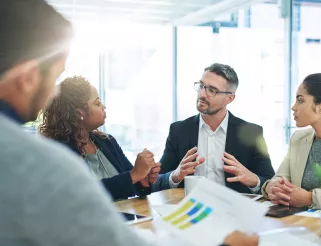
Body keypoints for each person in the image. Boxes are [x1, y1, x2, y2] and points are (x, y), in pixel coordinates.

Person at [0, 1, 258, 245]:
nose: (53, 95)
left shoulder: (102, 142)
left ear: (230, 98)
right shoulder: (43, 163)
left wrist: (146, 177)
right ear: (27, 78)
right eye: (54, 76)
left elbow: (140, 185)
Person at [154, 63, 275, 194]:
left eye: (212, 90)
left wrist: (253, 179)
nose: (202, 94)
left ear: (230, 98)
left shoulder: (252, 133)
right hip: (191, 210)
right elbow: (155, 182)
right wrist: (175, 176)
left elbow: (270, 183)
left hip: (233, 211)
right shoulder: (179, 130)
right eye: (201, 86)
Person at [39, 76, 160, 200]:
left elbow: (133, 185)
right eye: (97, 103)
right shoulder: (58, 151)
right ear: (79, 112)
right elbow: (83, 194)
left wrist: (143, 179)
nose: (104, 107)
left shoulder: (107, 141)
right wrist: (134, 175)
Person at [262, 73, 321, 209]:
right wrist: (274, 188)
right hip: (299, 221)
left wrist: (309, 198)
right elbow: (281, 177)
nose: (294, 107)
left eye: (300, 100)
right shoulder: (298, 138)